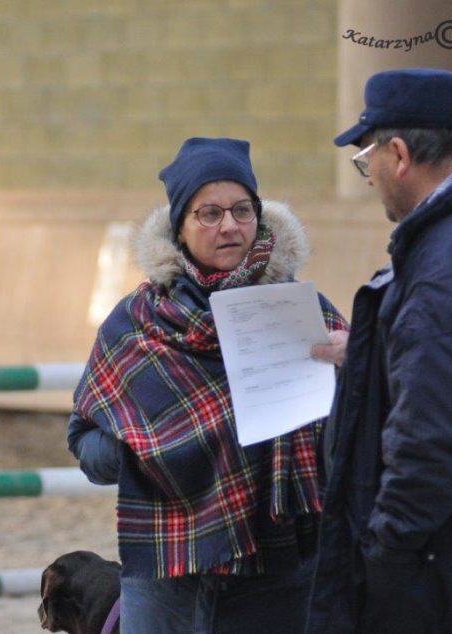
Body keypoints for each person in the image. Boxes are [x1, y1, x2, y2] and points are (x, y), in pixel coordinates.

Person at [68, 137, 348, 633]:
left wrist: (352, 368)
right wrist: (140, 450)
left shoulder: (302, 311)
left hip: (280, 563)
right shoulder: (135, 323)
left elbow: (354, 429)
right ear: (180, 225)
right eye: (209, 213)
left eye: (242, 210)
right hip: (168, 568)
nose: (230, 226)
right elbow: (84, 442)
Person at [306, 68, 452, 633]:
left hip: (450, 564)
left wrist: (385, 546)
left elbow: (431, 433)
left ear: (397, 154)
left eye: (364, 156)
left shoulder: (445, 265)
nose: (367, 176)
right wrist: (370, 353)